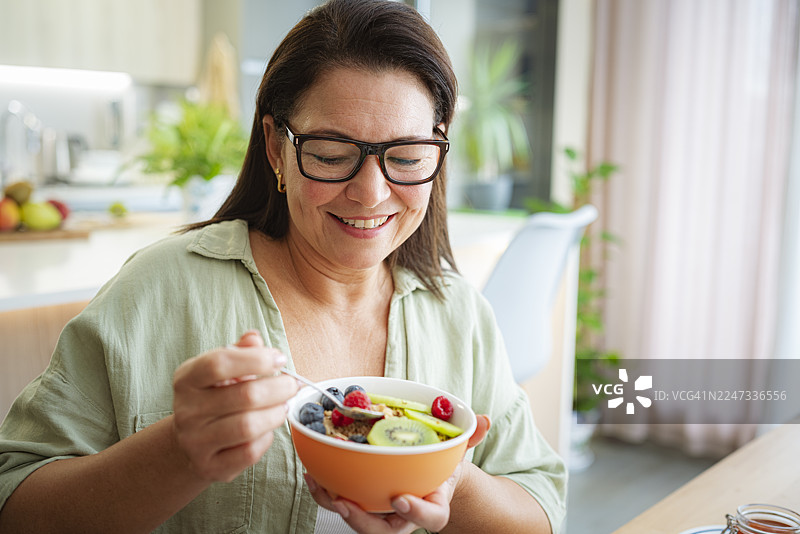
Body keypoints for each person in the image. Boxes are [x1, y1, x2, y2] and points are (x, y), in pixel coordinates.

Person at [0, 0, 566, 532]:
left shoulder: (458, 313)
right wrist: (178, 454)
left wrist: (442, 472)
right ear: (276, 148)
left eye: (406, 157)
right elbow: (15, 503)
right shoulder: (160, 288)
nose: (371, 194)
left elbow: (540, 510)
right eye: (331, 155)